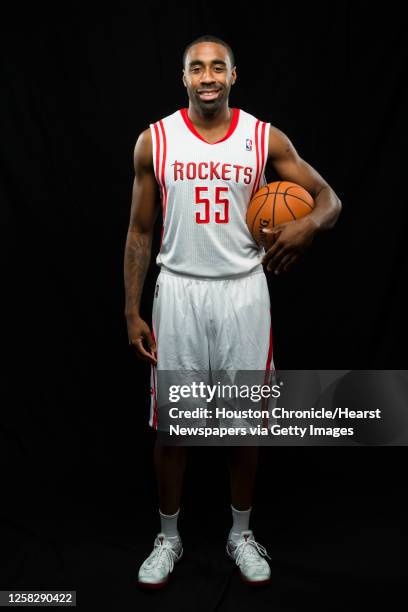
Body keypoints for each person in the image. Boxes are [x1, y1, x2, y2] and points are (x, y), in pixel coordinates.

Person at [124, 34, 342, 589]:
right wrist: (131, 309)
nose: (207, 76)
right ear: (184, 78)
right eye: (197, 68)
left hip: (243, 290)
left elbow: (329, 200)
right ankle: (168, 538)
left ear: (233, 75)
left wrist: (308, 225)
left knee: (245, 425)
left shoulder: (263, 137)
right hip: (178, 292)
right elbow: (140, 231)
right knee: (174, 427)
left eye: (217, 66)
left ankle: (240, 533)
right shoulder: (156, 142)